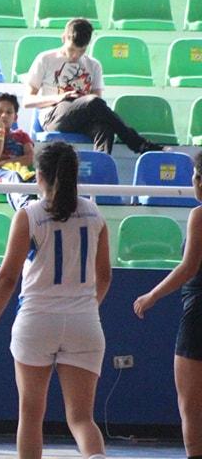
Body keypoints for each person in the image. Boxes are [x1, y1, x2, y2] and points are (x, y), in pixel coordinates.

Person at [0, 142, 112, 459]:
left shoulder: (29, 216)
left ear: (39, 176)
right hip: (85, 323)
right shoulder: (95, 214)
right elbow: (104, 276)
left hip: (36, 322)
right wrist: (85, 310)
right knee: (82, 419)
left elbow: (6, 278)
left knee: (31, 416)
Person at [133, 151, 202, 459]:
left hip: (198, 313)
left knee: (191, 404)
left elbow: (188, 267)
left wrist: (153, 295)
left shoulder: (199, 215)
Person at [24, 17, 165, 154]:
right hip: (53, 116)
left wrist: (82, 100)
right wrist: (60, 98)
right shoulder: (46, 59)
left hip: (83, 117)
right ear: (63, 38)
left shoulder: (93, 65)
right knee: (93, 102)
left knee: (105, 128)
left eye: (81, 51)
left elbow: (98, 106)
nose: (75, 56)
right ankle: (138, 143)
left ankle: (100, 165)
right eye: (71, 49)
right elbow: (27, 101)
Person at [0, 92, 36, 210]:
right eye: (0, 111)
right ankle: (25, 208)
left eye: (9, 112)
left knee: (43, 178)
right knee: (13, 176)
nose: (4, 115)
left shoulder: (22, 136)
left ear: (15, 117)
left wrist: (2, 163)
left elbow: (30, 158)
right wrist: (0, 132)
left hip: (23, 173)